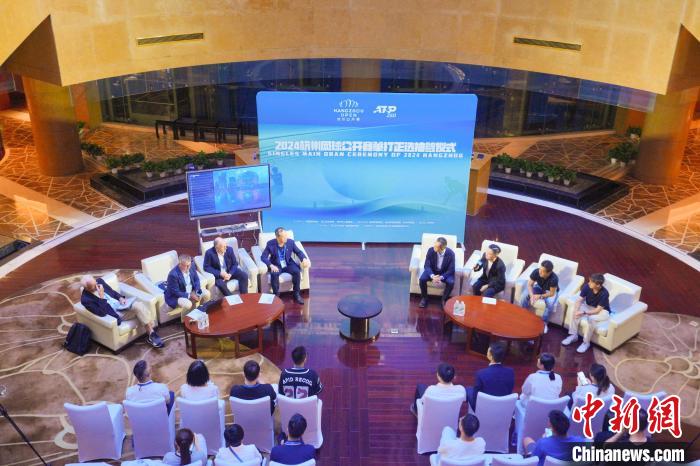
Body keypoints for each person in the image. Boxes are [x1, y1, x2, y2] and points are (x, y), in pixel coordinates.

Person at [80, 274, 163, 348]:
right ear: (86, 289)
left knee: (138, 305)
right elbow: (101, 313)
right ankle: (151, 333)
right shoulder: (86, 300)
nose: (96, 286)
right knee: (140, 307)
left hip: (120, 305)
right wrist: (101, 297)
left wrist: (120, 298)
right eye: (93, 286)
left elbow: (112, 292)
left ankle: (151, 333)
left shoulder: (99, 281)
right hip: (114, 313)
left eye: (95, 283)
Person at [562, 273, 611, 353]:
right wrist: (576, 311)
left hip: (602, 312)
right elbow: (579, 300)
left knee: (591, 319)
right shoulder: (587, 286)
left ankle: (586, 343)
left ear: (598, 285)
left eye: (591, 282)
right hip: (589, 306)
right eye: (589, 281)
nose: (589, 283)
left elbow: (597, 310)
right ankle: (573, 335)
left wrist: (583, 312)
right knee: (574, 309)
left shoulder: (605, 293)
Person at [260, 227, 310, 304]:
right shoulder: (270, 244)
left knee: (296, 271)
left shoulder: (290, 242)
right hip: (276, 265)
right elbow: (263, 257)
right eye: (284, 236)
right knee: (274, 274)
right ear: (278, 237)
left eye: (286, 235)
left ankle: (296, 294)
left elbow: (299, 252)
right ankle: (276, 295)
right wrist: (271, 265)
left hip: (288, 263)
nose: (286, 237)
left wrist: (303, 259)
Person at [465, 341, 515, 410]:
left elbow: (475, 398)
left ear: (491, 356)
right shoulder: (511, 371)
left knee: (468, 389)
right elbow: (509, 391)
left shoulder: (481, 373)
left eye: (488, 351)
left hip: (483, 408)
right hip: (503, 407)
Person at [519, 260, 559, 334]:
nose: (540, 272)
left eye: (542, 271)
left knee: (550, 303)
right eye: (540, 269)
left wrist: (539, 296)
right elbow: (529, 285)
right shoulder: (536, 271)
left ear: (549, 273)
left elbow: (552, 293)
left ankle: (544, 323)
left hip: (549, 291)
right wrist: (532, 296)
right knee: (524, 295)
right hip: (539, 287)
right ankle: (523, 313)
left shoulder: (554, 279)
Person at [418, 237, 456, 308]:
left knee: (451, 282)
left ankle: (444, 299)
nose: (434, 247)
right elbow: (427, 265)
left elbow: (451, 270)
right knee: (422, 279)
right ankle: (424, 298)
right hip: (433, 271)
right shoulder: (430, 250)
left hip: (444, 273)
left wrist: (440, 277)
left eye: (436, 247)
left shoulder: (451, 254)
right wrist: (432, 276)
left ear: (443, 248)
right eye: (434, 245)